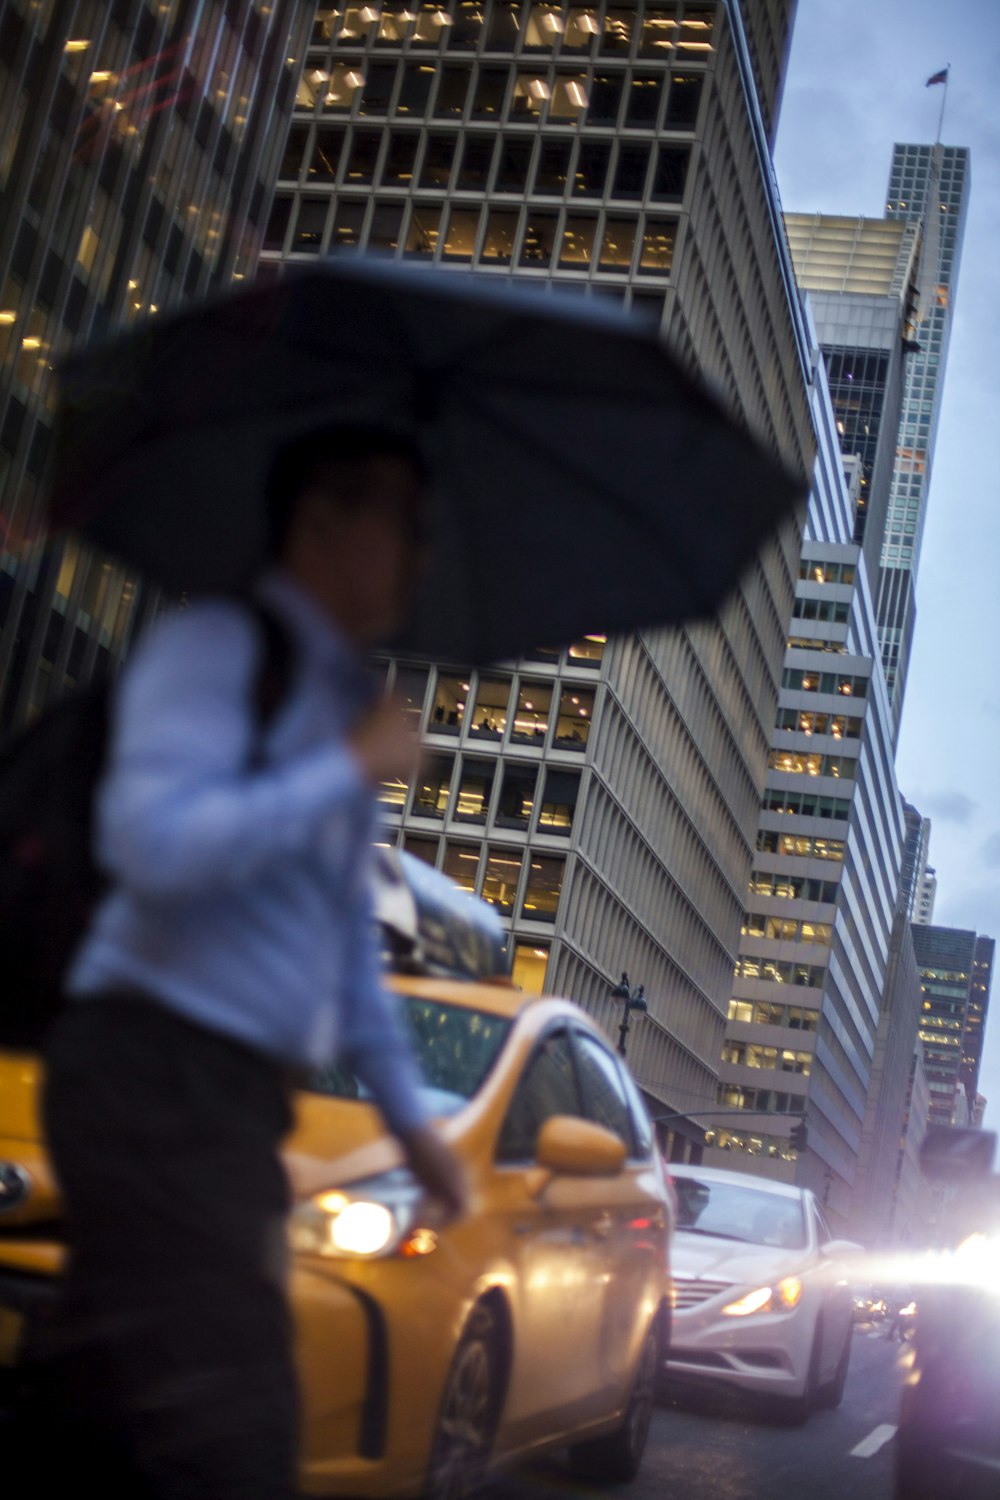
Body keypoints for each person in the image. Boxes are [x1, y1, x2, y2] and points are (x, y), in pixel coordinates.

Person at [40, 426, 468, 1498]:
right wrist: (345, 767)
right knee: (230, 1435)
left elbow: (338, 952)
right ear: (321, 520)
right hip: (153, 1071)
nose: (420, 555)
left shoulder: (336, 708)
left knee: (98, 1411)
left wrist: (417, 1126)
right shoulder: (215, 654)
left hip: (226, 1099)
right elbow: (155, 846)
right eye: (402, 524)